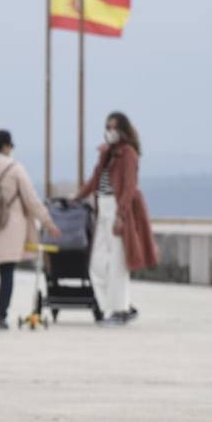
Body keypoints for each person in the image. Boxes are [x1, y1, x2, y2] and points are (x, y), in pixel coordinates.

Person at [0, 130, 60, 330]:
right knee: (6, 273)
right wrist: (48, 222)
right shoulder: (15, 168)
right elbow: (31, 199)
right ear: (6, 146)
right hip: (10, 225)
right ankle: (1, 317)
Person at [74, 111, 157, 325]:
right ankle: (115, 306)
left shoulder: (128, 153)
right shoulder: (106, 153)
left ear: (123, 130)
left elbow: (129, 186)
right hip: (102, 208)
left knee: (118, 263)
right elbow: (94, 179)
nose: (110, 132)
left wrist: (121, 214)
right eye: (108, 127)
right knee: (97, 264)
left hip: (116, 209)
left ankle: (120, 310)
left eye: (114, 128)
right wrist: (76, 197)